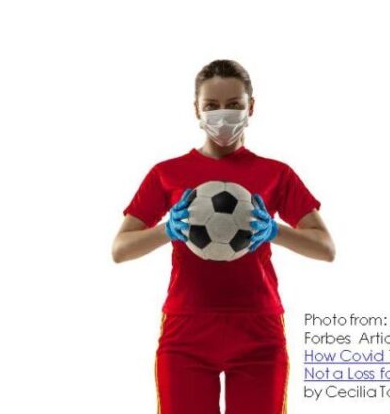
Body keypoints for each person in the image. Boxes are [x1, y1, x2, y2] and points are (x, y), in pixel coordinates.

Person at [112, 59, 335, 414]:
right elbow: (120, 249)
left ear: (251, 107)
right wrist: (167, 230)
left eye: (234, 105)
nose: (223, 115)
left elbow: (325, 248)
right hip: (186, 328)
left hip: (258, 328)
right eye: (212, 106)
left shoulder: (275, 173)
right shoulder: (167, 173)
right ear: (196, 110)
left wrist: (275, 231)